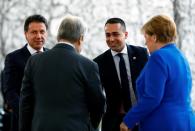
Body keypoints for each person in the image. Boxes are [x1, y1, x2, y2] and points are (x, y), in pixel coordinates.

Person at [19, 14, 106, 131]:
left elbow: (25, 104)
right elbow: (98, 104)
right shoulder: (88, 65)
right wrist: (91, 126)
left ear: (58, 36)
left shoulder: (34, 61)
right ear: (80, 38)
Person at [120, 15, 195, 131]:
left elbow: (152, 97)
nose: (145, 44)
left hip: (163, 123)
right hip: (186, 122)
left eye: (146, 38)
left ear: (154, 37)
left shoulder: (158, 57)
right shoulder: (180, 56)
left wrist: (128, 120)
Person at [94, 18, 148, 131]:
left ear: (126, 34)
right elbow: (97, 97)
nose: (111, 39)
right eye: (107, 35)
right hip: (114, 123)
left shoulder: (142, 54)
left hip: (142, 118)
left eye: (115, 34)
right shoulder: (98, 62)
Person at [3, 14, 49, 131]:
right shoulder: (13, 58)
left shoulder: (53, 56)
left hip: (49, 121)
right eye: (34, 32)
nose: (39, 36)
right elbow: (9, 91)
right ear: (26, 34)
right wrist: (26, 113)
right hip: (22, 122)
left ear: (46, 33)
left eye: (42, 32)